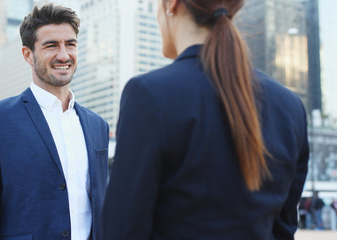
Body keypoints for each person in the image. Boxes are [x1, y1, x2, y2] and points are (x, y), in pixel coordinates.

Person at [101, 0, 309, 239]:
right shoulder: (290, 106)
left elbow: (122, 229)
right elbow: (283, 229)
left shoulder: (149, 94)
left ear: (171, 4)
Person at [0, 3, 109, 240]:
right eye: (51, 46)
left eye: (70, 44)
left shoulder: (97, 125)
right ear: (28, 55)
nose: (64, 55)